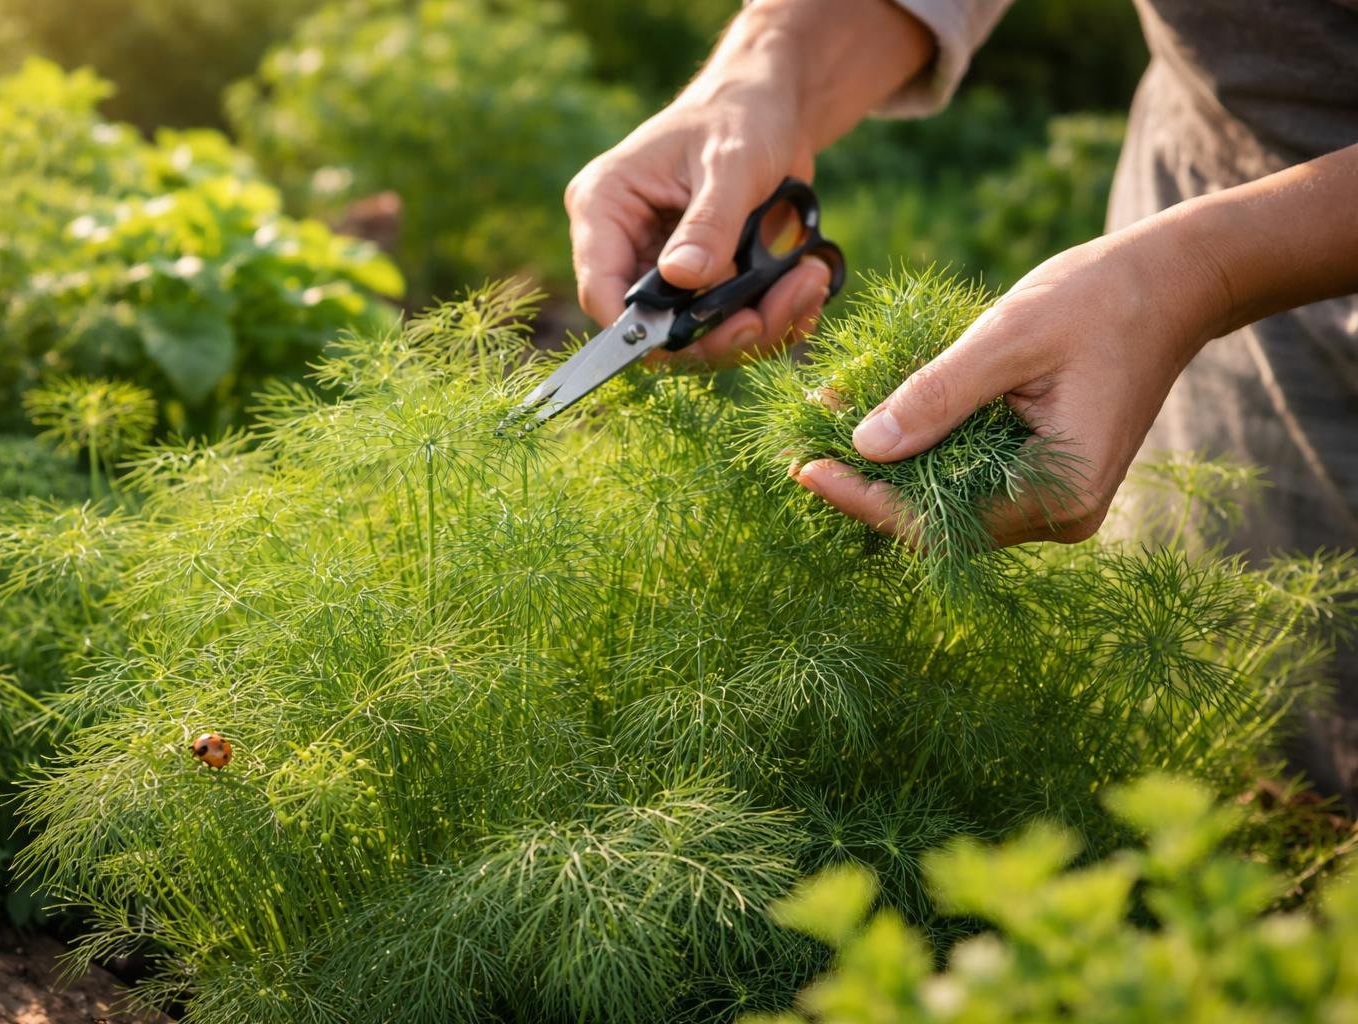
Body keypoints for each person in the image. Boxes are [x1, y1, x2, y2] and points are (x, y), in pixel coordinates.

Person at [565, 0, 1358, 797]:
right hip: (1191, 222)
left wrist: (1201, 275)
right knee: (1216, 755)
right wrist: (765, 72)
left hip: (1192, 272)